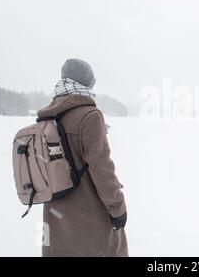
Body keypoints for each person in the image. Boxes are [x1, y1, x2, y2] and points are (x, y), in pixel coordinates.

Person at [37, 58, 128, 256]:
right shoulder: (90, 115)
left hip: (55, 210)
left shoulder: (50, 114)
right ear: (87, 83)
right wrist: (118, 208)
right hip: (88, 212)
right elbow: (102, 167)